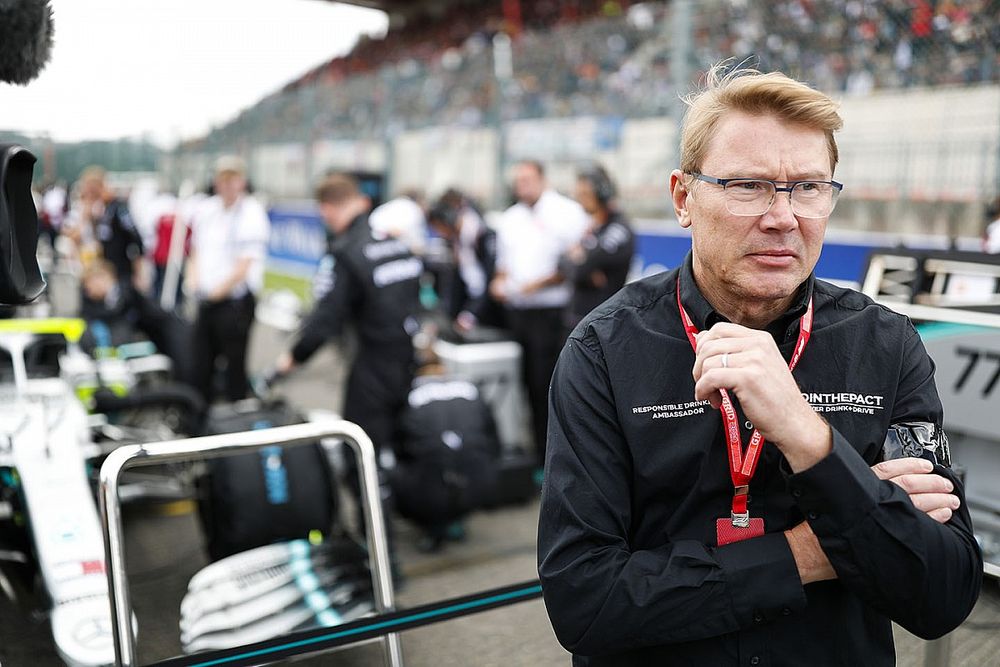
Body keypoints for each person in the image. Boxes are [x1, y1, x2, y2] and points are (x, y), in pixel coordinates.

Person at [538, 64, 982, 666]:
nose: (783, 216)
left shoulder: (886, 344)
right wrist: (817, 547)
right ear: (683, 198)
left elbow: (943, 594)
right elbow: (584, 601)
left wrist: (810, 440)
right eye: (747, 185)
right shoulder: (604, 351)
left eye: (808, 187)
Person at [276, 173, 422, 484]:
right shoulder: (396, 244)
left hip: (372, 367)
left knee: (359, 457)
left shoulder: (345, 253)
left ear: (327, 210)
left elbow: (326, 320)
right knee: (401, 447)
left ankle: (376, 531)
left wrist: (293, 357)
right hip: (408, 360)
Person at [490, 160, 587, 465]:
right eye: (518, 180)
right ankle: (538, 456)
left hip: (553, 312)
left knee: (552, 384)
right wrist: (500, 283)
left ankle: (559, 456)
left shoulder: (567, 213)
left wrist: (538, 285)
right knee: (527, 385)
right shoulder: (510, 219)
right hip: (518, 312)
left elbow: (576, 264)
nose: (523, 185)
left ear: (542, 179)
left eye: (528, 179)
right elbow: (503, 267)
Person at [390, 346, 501, 552]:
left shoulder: (408, 394)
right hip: (482, 483)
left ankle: (435, 525)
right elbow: (494, 440)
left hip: (428, 488)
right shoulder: (470, 387)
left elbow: (398, 447)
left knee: (390, 470)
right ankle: (456, 515)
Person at [186, 156, 270, 403]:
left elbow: (243, 267)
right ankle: (199, 418)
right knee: (200, 365)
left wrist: (214, 294)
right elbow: (196, 250)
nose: (227, 184)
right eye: (223, 179)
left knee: (235, 366)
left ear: (242, 181)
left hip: (234, 303)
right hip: (207, 300)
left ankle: (235, 420)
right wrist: (194, 282)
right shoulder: (207, 209)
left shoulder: (251, 213)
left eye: (233, 179)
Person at [560, 165, 635, 329]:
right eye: (579, 194)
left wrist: (580, 261)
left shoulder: (618, 229)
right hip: (578, 318)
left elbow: (581, 269)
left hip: (603, 322)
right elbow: (562, 262)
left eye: (585, 194)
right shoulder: (593, 227)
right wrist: (582, 266)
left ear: (602, 193)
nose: (581, 200)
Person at [426, 189, 504, 331]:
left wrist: (470, 314)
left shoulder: (480, 235)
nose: (440, 234)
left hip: (488, 312)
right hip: (469, 305)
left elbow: (485, 280)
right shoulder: (456, 241)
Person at [62, 166, 145, 288]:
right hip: (94, 267)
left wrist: (139, 270)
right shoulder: (86, 209)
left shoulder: (116, 207)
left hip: (117, 268)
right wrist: (85, 216)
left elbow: (135, 239)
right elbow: (71, 235)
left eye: (94, 190)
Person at [369, 188, 427, 256]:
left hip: (375, 251)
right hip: (400, 256)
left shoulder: (385, 208)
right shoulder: (413, 209)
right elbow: (418, 247)